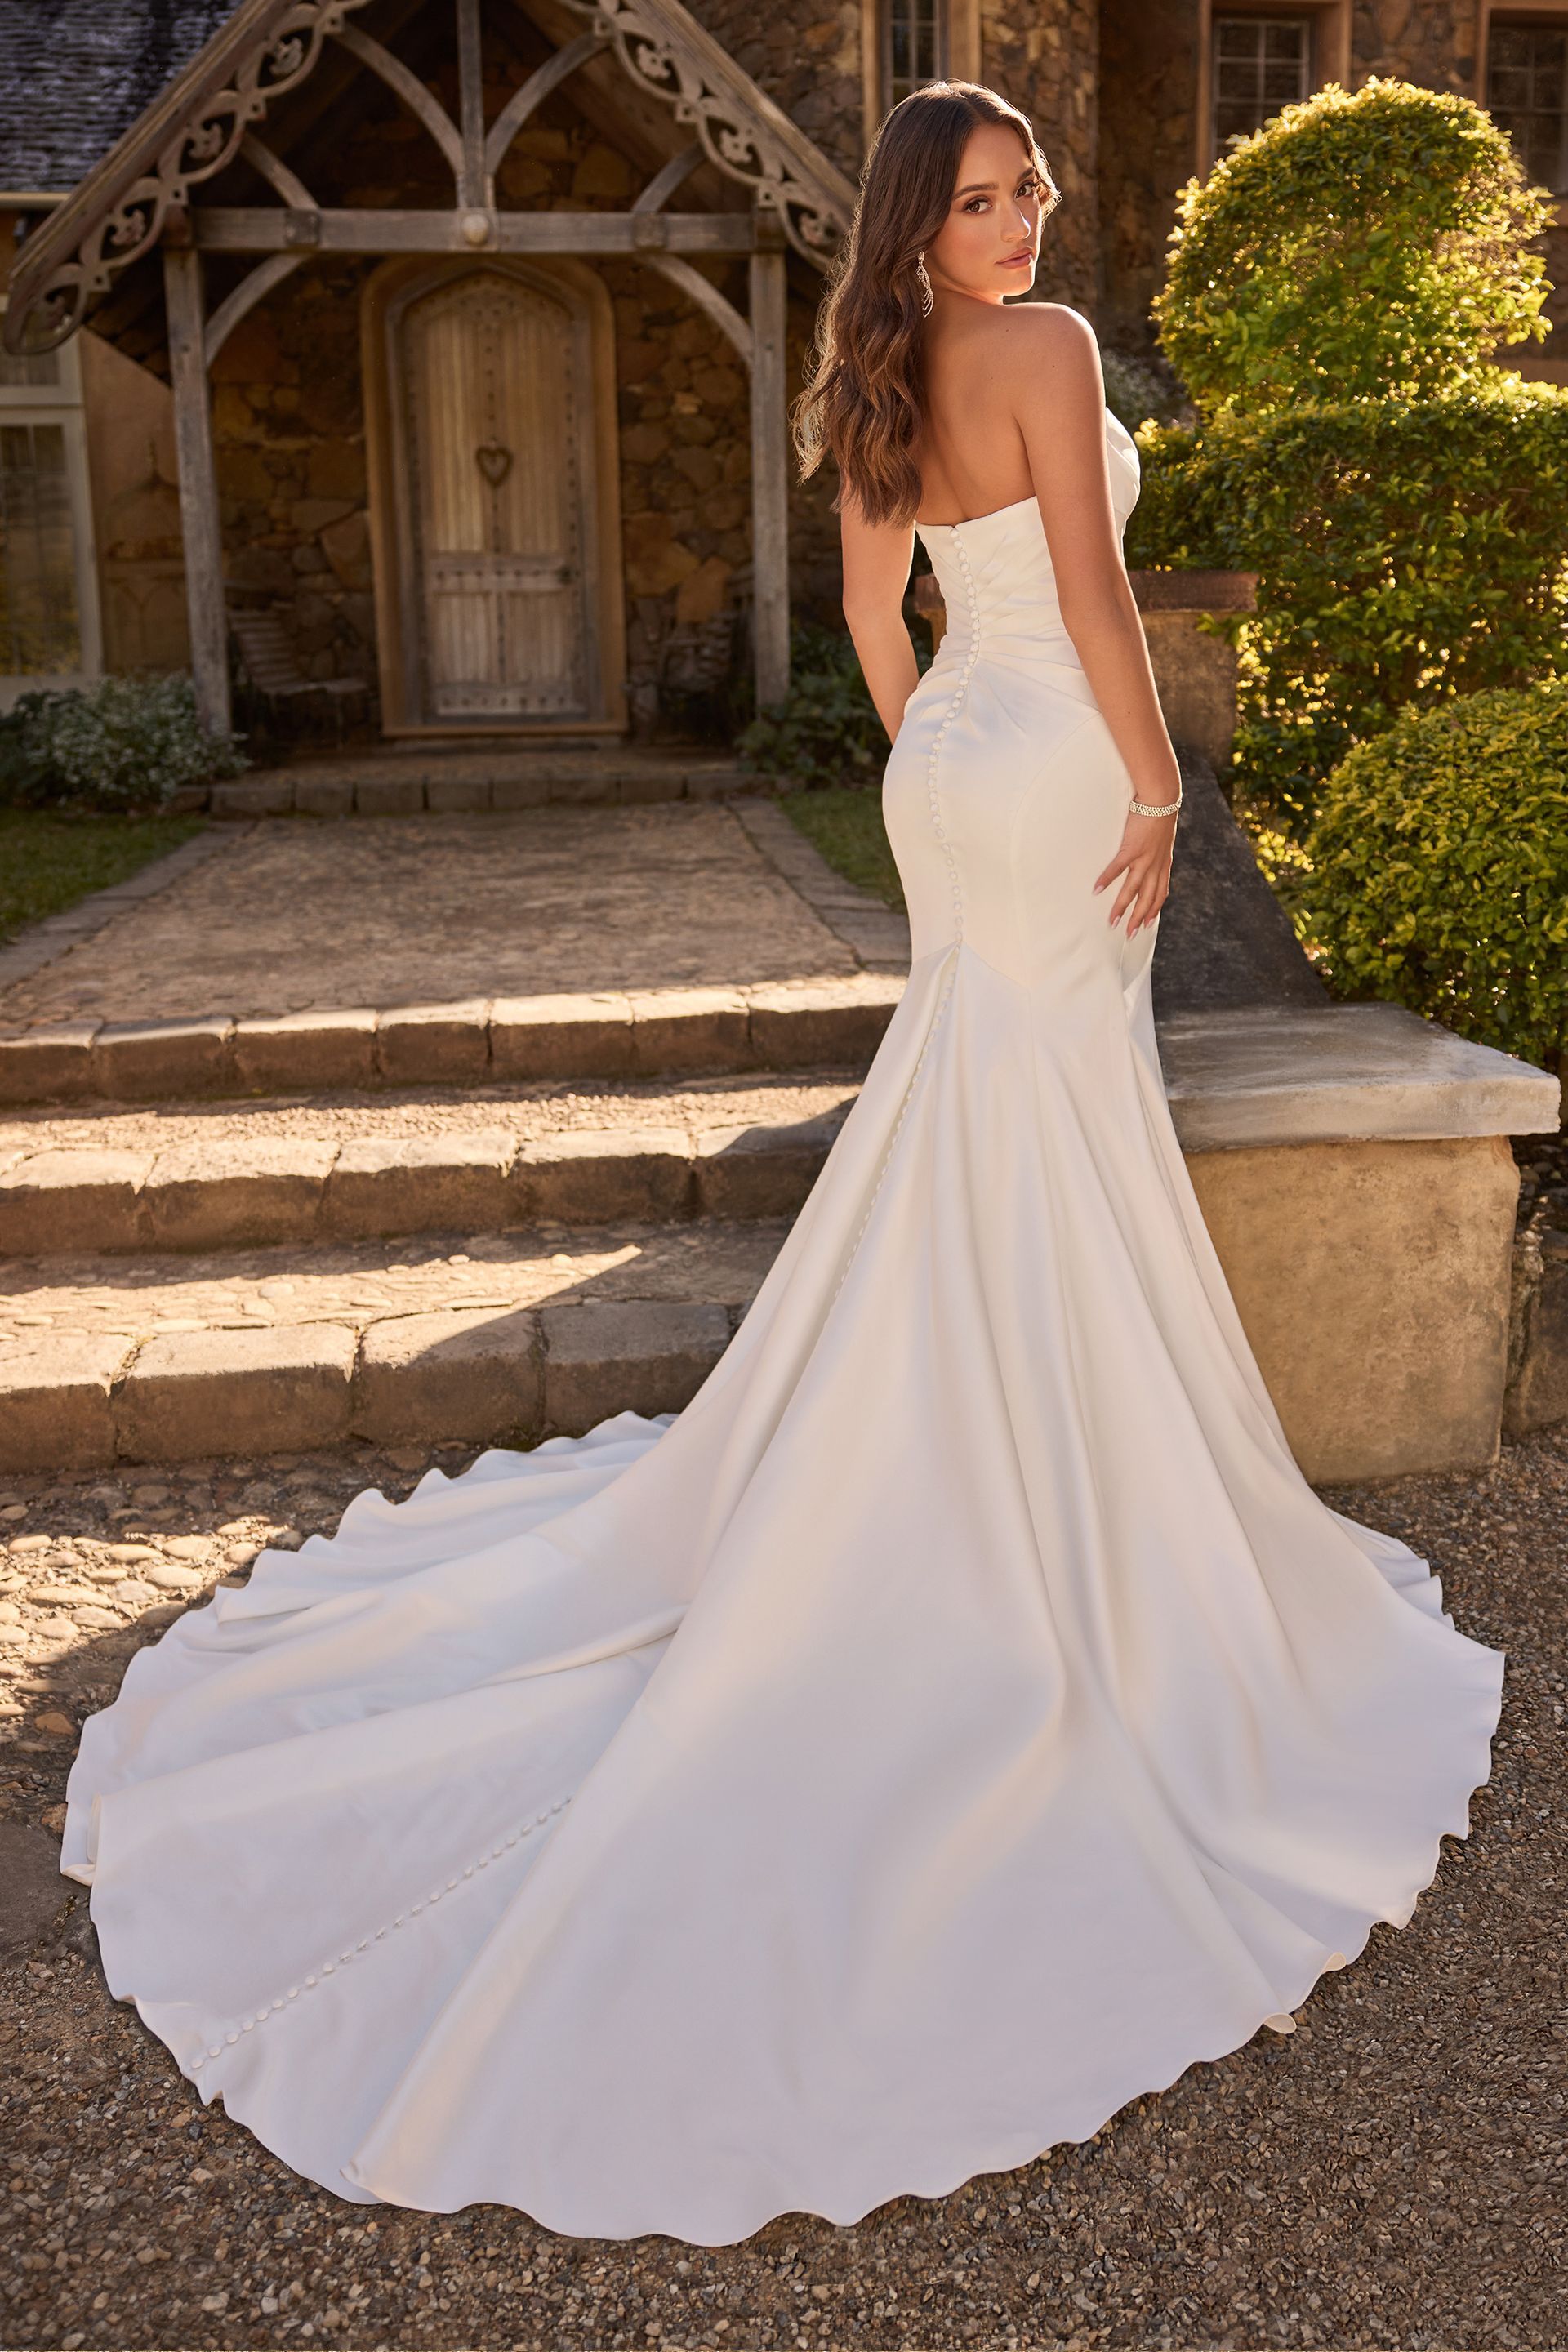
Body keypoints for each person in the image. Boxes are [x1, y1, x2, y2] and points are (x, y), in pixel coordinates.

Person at [60, 82, 1504, 2250]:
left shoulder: (886, 376)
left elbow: (871, 607)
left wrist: (954, 769)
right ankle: (1047, 1530)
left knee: (987, 1127)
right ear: (923, 220)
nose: (1022, 227)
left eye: (1031, 196)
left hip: (966, 781)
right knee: (1041, 1132)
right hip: (1060, 776)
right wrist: (1152, 797)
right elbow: (1104, 600)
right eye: (989, 200)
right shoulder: (1050, 355)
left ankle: (973, 1479)